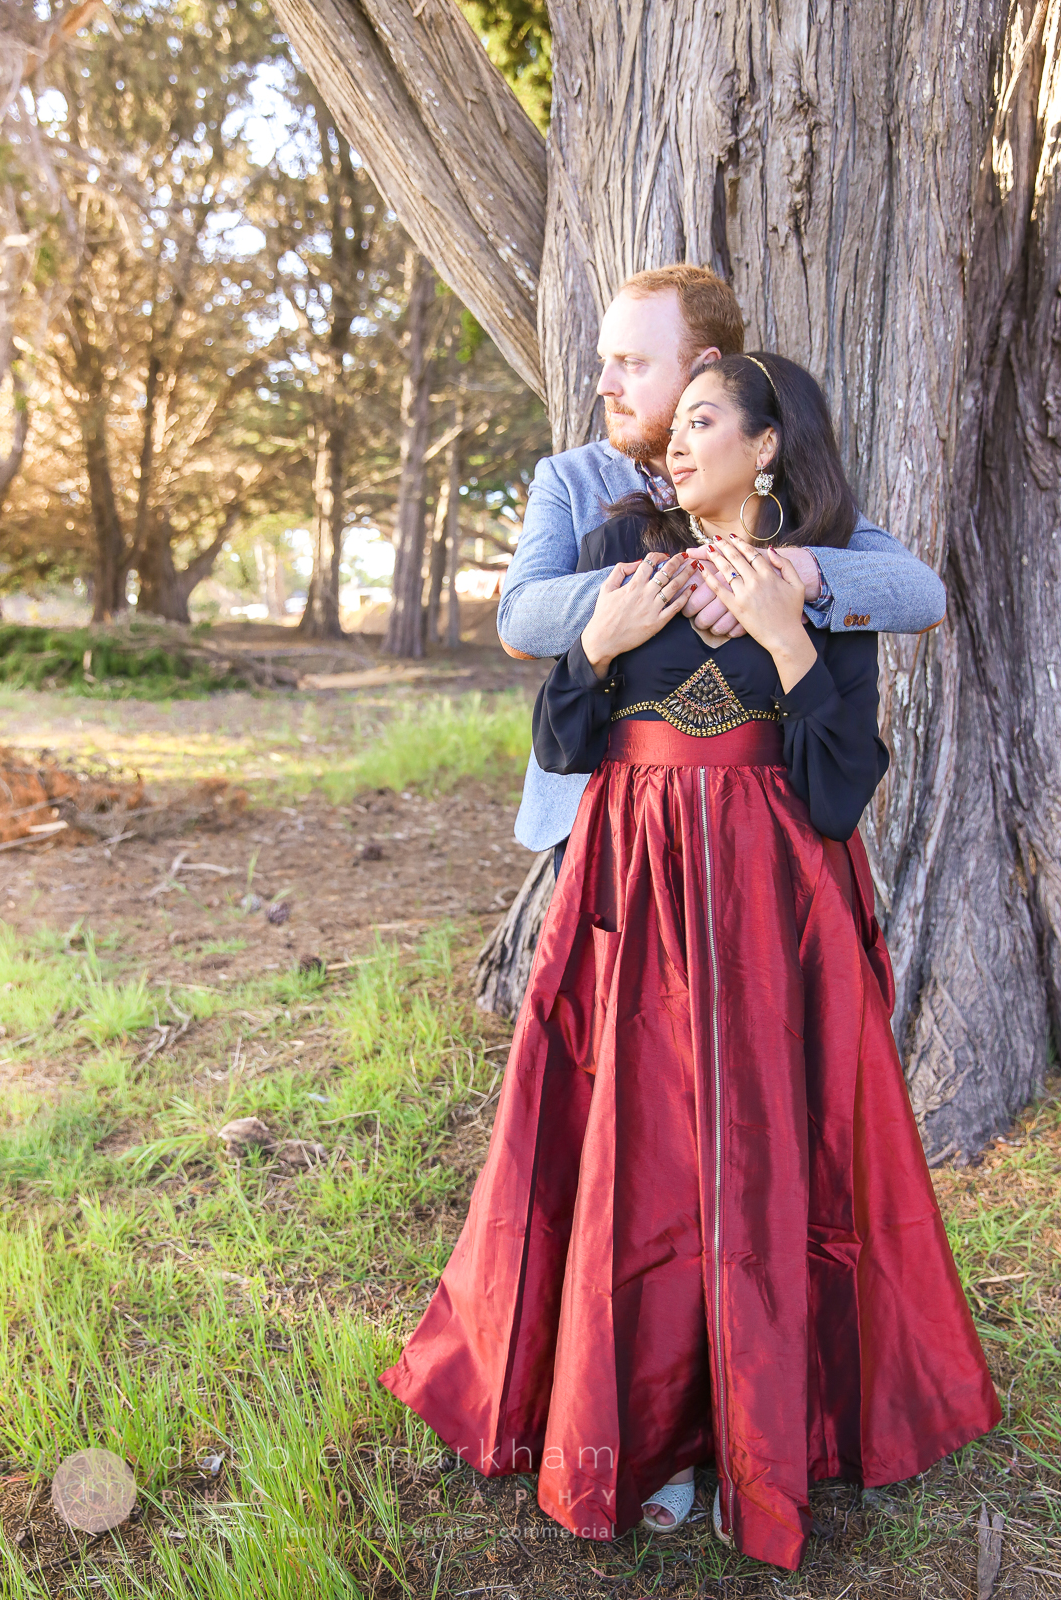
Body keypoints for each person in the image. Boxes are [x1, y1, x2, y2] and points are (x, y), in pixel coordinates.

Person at [380, 352, 999, 1572]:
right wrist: (596, 644)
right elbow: (565, 739)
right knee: (642, 1156)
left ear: (767, 446)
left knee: (767, 1149)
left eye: (704, 419)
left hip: (778, 908)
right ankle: (650, 1435)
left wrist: (786, 633)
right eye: (676, 421)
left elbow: (836, 792)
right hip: (631, 894)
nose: (674, 438)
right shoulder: (626, 544)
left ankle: (760, 1432)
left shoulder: (821, 583)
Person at [496, 264, 947, 870]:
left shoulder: (786, 503)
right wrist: (678, 580)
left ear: (702, 364)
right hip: (600, 813)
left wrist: (780, 571)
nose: (605, 383)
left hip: (763, 825)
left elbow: (919, 594)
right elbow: (520, 619)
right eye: (606, 361)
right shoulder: (572, 479)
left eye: (633, 362)